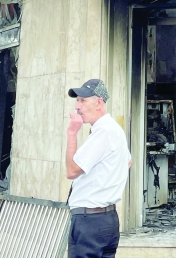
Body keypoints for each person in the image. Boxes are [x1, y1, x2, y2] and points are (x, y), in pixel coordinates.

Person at [65, 79, 131, 258]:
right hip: (107, 220)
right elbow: (128, 162)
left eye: (82, 100)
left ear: (99, 103)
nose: (77, 106)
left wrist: (72, 133)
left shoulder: (103, 132)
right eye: (77, 101)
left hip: (90, 220)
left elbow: (72, 171)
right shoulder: (114, 130)